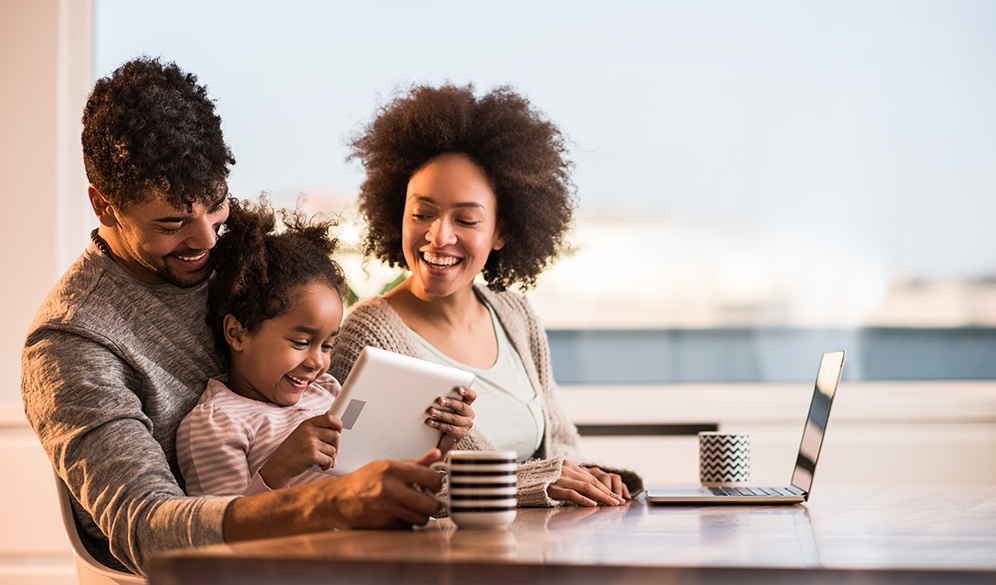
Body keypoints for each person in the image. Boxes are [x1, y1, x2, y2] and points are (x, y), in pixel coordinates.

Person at [20, 57, 444, 576]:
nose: (205, 241)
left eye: (215, 205)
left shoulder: (242, 259)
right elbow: (149, 528)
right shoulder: (73, 343)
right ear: (103, 206)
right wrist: (328, 504)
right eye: (173, 223)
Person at [329, 84, 644, 508]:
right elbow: (370, 484)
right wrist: (534, 482)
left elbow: (561, 448)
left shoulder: (515, 315)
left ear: (501, 232)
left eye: (467, 219)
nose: (439, 236)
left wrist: (589, 477)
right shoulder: (369, 335)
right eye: (421, 213)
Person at [176, 197, 476, 496]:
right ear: (237, 333)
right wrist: (279, 468)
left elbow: (394, 483)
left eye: (327, 346)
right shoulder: (217, 424)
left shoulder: (329, 393)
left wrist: (436, 446)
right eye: (301, 342)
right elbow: (219, 530)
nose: (317, 362)